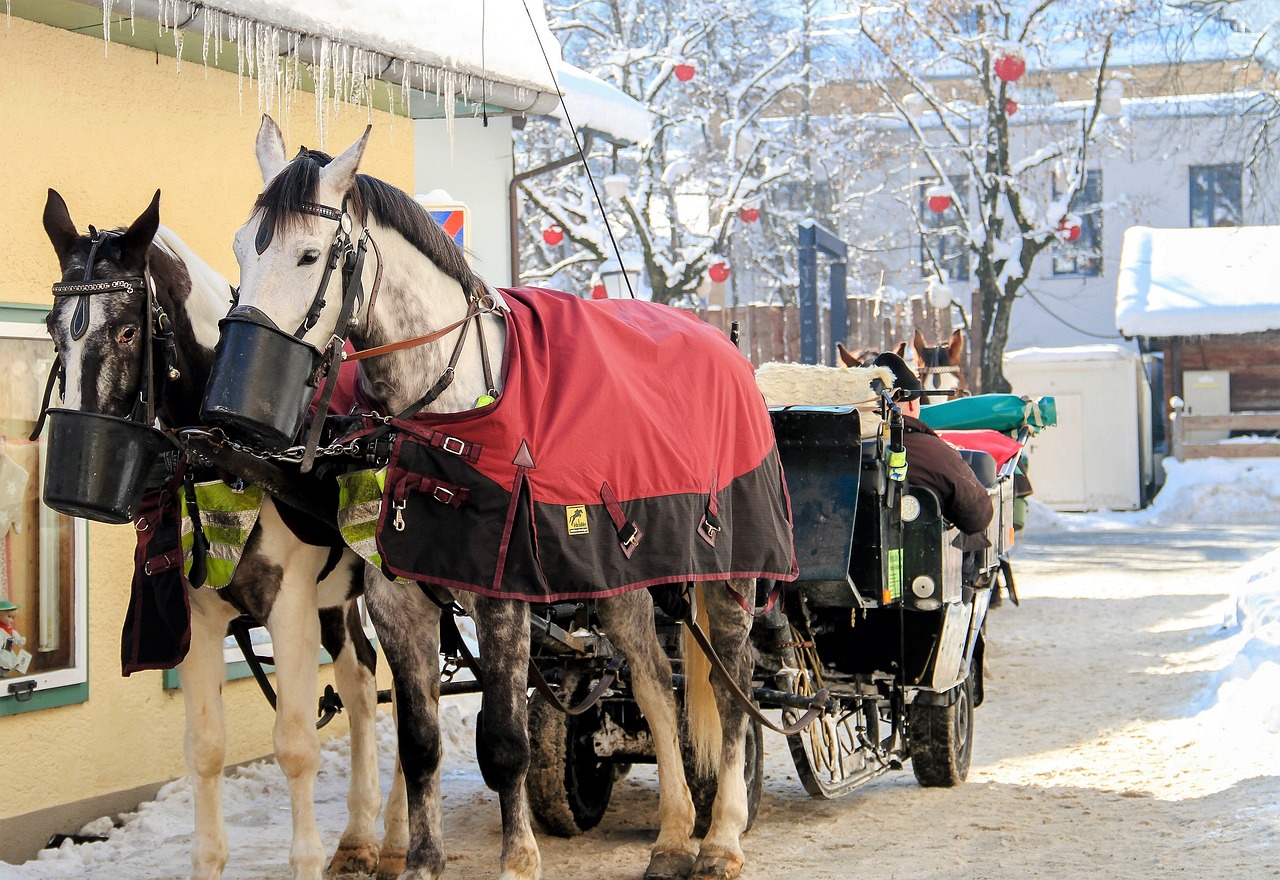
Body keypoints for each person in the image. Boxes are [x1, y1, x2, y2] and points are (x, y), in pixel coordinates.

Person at [872, 351, 993, 541]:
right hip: (918, 563)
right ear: (912, 404)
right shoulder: (938, 455)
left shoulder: (833, 452)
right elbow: (976, 518)